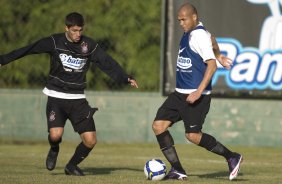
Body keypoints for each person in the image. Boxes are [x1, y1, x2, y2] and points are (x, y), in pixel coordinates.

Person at [0, 12, 138, 176]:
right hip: (56, 97)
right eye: (74, 30)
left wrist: (125, 77)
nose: (78, 34)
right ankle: (54, 147)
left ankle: (71, 166)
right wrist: (3, 59)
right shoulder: (54, 42)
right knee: (55, 135)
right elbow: (29, 49)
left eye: (80, 30)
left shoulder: (89, 45)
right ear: (66, 28)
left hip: (77, 99)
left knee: (90, 140)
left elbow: (106, 62)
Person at [152, 3, 242, 181]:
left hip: (196, 96)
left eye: (184, 19)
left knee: (192, 135)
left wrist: (199, 91)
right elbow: (213, 39)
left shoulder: (198, 36)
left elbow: (212, 66)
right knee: (158, 126)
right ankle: (177, 169)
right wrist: (219, 55)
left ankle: (232, 157)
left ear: (194, 17)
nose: (181, 23)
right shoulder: (197, 32)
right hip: (179, 94)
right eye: (179, 20)